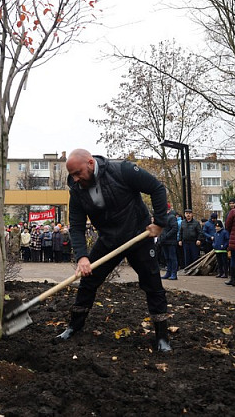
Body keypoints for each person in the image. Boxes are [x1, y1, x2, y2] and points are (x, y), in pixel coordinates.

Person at [56, 149, 172, 352]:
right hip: (109, 240)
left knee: (152, 283)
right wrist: (82, 256)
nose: (75, 179)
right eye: (72, 175)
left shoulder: (122, 171)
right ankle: (74, 326)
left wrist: (160, 223)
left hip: (138, 236)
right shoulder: (77, 190)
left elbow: (157, 188)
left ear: (90, 163)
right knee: (88, 280)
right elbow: (76, 225)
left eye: (78, 173)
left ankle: (162, 337)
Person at [160, 208, 180, 280]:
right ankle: (168, 272)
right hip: (164, 241)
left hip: (170, 241)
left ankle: (174, 273)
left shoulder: (171, 217)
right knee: (167, 258)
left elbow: (174, 228)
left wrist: (166, 236)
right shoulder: (163, 217)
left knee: (172, 258)